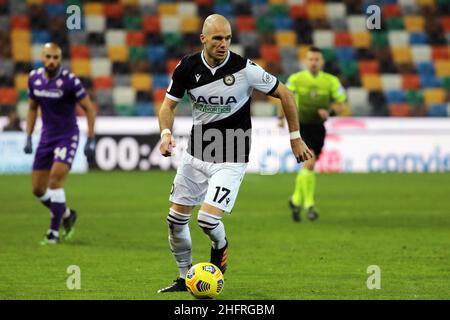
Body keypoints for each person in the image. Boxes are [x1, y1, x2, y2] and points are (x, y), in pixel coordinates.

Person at [157, 14, 313, 293]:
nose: (224, 44)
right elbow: (168, 106)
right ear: (203, 38)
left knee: (207, 219)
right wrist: (166, 135)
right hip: (195, 155)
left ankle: (221, 247)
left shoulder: (245, 69)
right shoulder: (186, 67)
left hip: (232, 156)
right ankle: (184, 277)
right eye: (217, 38)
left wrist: (295, 138)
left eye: (228, 38)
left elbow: (286, 94)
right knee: (175, 220)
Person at [24, 42, 96, 245]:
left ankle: (53, 233)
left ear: (60, 59)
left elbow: (89, 109)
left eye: (55, 57)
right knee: (38, 189)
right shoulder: (34, 79)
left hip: (67, 136)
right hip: (46, 136)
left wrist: (91, 138)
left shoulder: (70, 81)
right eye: (48, 57)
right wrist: (28, 135)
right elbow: (32, 108)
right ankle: (66, 213)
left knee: (55, 180)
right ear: (42, 58)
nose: (52, 61)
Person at [281, 46, 347, 222]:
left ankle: (295, 200)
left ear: (322, 62)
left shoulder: (331, 81)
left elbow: (341, 104)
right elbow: (285, 97)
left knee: (309, 166)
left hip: (318, 127)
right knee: (309, 163)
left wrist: (330, 112)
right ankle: (309, 204)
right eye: (310, 59)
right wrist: (281, 118)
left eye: (317, 59)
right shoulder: (296, 79)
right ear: (306, 61)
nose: (313, 62)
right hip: (300, 125)